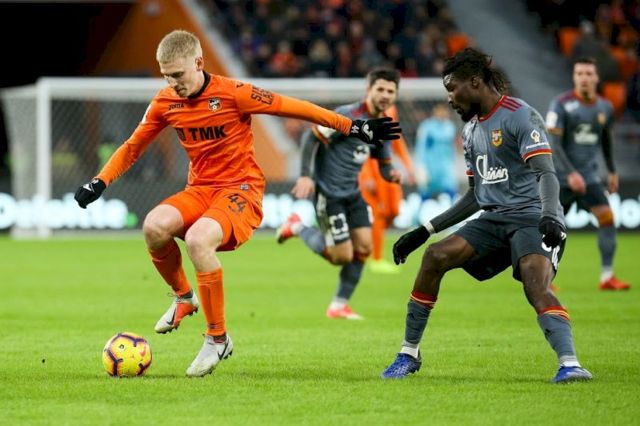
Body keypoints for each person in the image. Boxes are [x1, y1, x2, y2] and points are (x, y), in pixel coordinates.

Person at [73, 30, 401, 377]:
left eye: (178, 74)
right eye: (166, 75)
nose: (172, 83)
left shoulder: (234, 93)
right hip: (200, 189)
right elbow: (132, 147)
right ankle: (184, 297)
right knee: (154, 227)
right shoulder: (165, 102)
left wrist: (351, 127)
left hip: (240, 190)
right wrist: (99, 181)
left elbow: (293, 107)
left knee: (198, 240)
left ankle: (217, 339)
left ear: (199, 63)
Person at [380, 47, 592, 383]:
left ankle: (570, 364)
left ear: (475, 82)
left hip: (532, 216)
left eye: (453, 89)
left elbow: (546, 173)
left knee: (535, 284)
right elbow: (476, 195)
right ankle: (408, 353)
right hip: (493, 219)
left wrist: (551, 215)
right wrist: (424, 230)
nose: (449, 98)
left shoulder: (520, 116)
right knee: (435, 255)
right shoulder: (470, 131)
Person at [276, 68, 404, 319]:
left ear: (396, 95)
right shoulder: (348, 115)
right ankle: (297, 227)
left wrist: (392, 175)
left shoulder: (384, 125)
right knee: (341, 256)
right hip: (329, 193)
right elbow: (311, 137)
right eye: (380, 89)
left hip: (352, 192)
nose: (385, 95)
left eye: (390, 91)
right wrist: (305, 175)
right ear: (368, 90)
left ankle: (338, 306)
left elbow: (383, 163)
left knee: (364, 247)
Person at [546, 57, 631, 291]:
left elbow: (606, 140)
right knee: (550, 229)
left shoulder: (605, 107)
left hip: (589, 178)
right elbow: (554, 144)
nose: (584, 78)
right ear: (574, 77)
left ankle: (607, 277)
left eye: (588, 73)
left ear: (596, 78)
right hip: (560, 178)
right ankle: (543, 279)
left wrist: (612, 171)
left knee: (607, 218)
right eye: (580, 73)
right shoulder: (560, 104)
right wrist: (571, 173)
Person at [359, 105, 414, 274]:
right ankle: (376, 259)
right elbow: (362, 150)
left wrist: (409, 169)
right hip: (372, 173)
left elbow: (399, 146)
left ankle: (369, 241)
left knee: (394, 210)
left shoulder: (391, 117)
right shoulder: (368, 123)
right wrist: (366, 176)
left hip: (388, 172)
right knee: (378, 214)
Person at [413, 102, 459, 201]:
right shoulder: (426, 127)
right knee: (425, 193)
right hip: (430, 166)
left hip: (445, 167)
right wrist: (420, 166)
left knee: (451, 192)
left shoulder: (450, 127)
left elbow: (451, 146)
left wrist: (453, 162)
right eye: (440, 110)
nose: (442, 113)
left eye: (444, 110)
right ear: (435, 111)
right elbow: (421, 147)